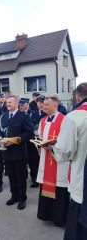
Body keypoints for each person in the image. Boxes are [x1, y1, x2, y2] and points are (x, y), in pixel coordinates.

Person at [54, 83, 87, 239]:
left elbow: (65, 152)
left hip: (81, 184)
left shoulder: (74, 116)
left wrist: (53, 149)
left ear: (78, 96)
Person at [36, 96, 69, 226]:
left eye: (46, 104)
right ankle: (46, 214)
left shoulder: (65, 120)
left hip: (59, 161)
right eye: (43, 104)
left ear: (55, 105)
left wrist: (53, 147)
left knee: (59, 188)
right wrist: (39, 144)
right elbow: (39, 135)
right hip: (45, 159)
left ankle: (59, 218)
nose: (43, 106)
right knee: (46, 184)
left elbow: (67, 141)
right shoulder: (43, 120)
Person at [0, 95, 34, 210]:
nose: (7, 104)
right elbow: (1, 131)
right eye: (7, 102)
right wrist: (0, 139)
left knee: (21, 177)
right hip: (6, 152)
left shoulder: (24, 116)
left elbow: (29, 133)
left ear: (17, 103)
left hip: (19, 153)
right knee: (11, 176)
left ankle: (22, 198)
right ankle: (14, 196)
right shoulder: (3, 116)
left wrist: (14, 141)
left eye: (10, 102)